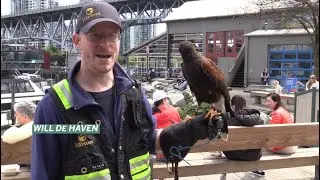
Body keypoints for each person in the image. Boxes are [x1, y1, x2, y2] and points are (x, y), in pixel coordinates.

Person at [31, 2, 226, 179]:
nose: (105, 43)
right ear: (76, 40)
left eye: (112, 36)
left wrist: (187, 131)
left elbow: (150, 142)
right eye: (95, 35)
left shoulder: (135, 94)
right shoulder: (51, 109)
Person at [222, 95, 265, 177]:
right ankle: (256, 170)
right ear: (245, 105)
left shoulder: (227, 119)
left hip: (231, 154)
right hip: (253, 155)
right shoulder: (258, 120)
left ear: (233, 106)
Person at [152, 90, 181, 162]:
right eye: (167, 99)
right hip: (174, 155)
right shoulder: (173, 111)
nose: (168, 101)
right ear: (164, 100)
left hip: (158, 156)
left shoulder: (152, 117)